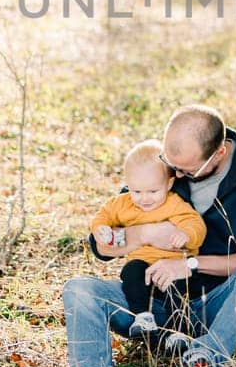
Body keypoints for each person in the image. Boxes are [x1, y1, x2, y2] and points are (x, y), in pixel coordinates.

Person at [42, 105, 236, 367]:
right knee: (79, 289)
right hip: (151, 301)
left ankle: (205, 360)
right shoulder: (165, 167)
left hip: (219, 303)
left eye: (186, 172)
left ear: (219, 154)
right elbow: (103, 246)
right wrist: (145, 232)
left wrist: (189, 264)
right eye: (170, 166)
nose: (176, 175)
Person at [89, 139, 208, 347]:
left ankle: (179, 329)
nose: (144, 199)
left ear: (169, 184)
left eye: (153, 192)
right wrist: (101, 229)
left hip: (172, 263)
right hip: (142, 261)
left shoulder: (174, 203)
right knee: (130, 273)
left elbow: (195, 223)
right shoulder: (122, 203)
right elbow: (103, 216)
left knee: (178, 288)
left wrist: (187, 235)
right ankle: (143, 317)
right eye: (136, 191)